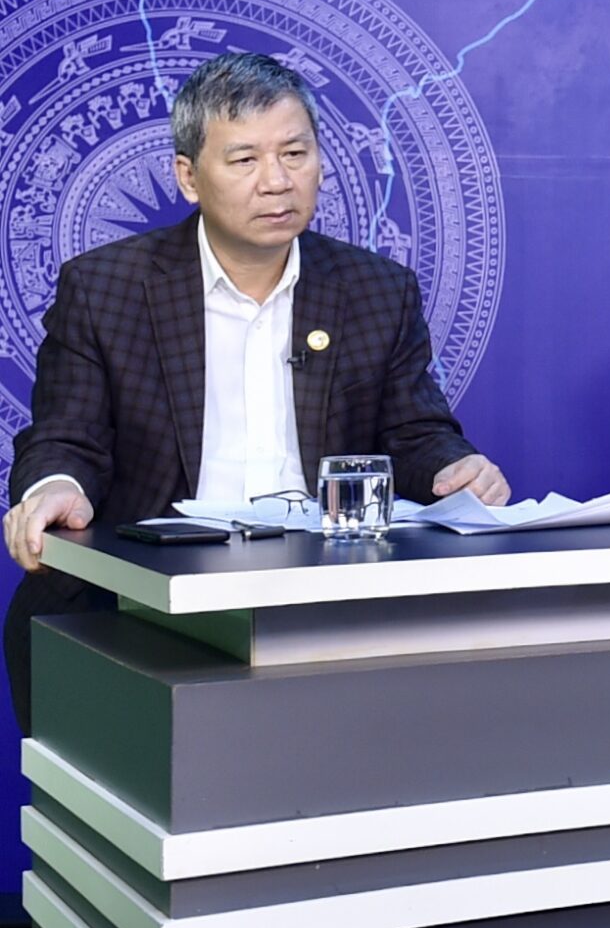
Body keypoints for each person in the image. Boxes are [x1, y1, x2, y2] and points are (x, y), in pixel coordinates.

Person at [4, 52, 507, 733]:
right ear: (188, 176)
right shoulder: (106, 287)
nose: (276, 181)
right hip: (139, 605)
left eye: (295, 153)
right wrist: (56, 485)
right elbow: (66, 434)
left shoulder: (376, 290)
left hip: (322, 606)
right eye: (244, 160)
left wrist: (453, 467)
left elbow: (415, 433)